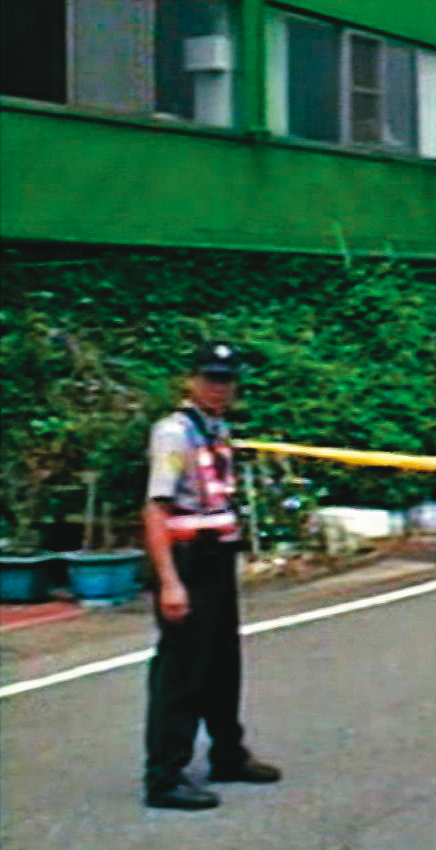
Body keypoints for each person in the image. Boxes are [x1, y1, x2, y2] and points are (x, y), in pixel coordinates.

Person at [143, 342, 281, 810]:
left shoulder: (216, 428)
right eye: (210, 378)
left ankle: (227, 752)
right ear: (190, 380)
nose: (219, 387)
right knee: (181, 670)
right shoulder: (174, 433)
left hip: (218, 558)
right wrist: (169, 582)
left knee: (223, 664)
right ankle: (164, 777)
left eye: (225, 379)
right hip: (188, 559)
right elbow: (156, 508)